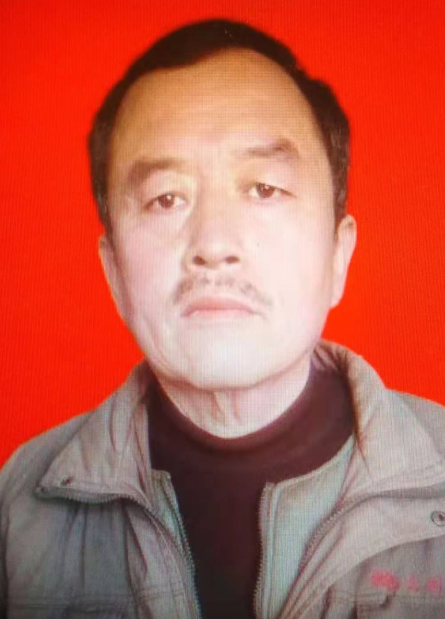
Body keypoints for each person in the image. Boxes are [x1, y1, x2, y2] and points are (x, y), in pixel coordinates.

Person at [1, 18, 445, 619]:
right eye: (166, 199)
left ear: (338, 254)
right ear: (113, 272)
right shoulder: (20, 506)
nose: (213, 244)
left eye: (263, 189)